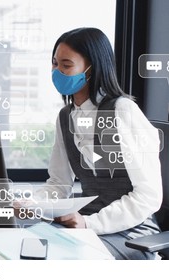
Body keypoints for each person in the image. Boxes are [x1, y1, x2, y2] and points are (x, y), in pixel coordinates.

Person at [36, 27, 162, 259]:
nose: (57, 72)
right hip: (86, 227)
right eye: (54, 64)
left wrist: (89, 223)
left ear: (92, 69)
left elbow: (148, 195)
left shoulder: (122, 111)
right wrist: (32, 204)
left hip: (133, 234)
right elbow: (58, 184)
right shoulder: (65, 117)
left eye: (66, 65)